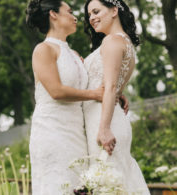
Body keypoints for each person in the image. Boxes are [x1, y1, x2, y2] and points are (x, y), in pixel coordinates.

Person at [25, 0, 128, 193]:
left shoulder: (73, 54)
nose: (76, 17)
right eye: (70, 11)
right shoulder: (43, 49)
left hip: (77, 133)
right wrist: (95, 94)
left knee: (77, 187)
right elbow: (56, 91)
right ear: (53, 15)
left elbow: (91, 81)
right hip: (53, 131)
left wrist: (115, 94)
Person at [83, 0, 150, 193]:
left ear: (114, 10)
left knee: (109, 184)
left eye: (96, 11)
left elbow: (110, 86)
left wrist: (104, 129)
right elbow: (113, 85)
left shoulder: (112, 41)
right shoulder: (123, 41)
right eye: (89, 15)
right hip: (110, 115)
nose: (92, 18)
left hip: (104, 122)